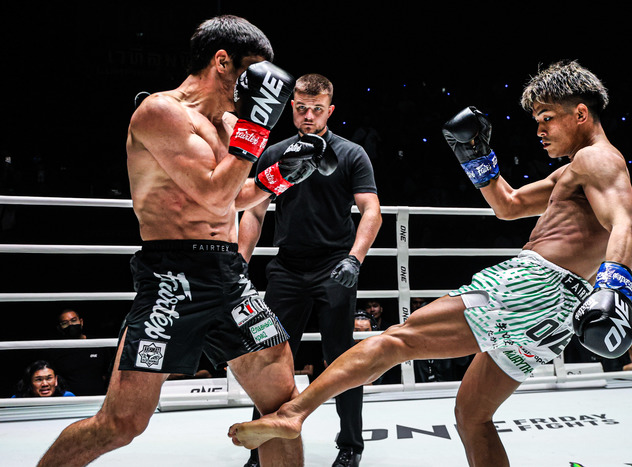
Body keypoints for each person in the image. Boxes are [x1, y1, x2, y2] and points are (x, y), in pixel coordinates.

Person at [227, 60, 632, 467]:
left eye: (547, 118)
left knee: (397, 340)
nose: (540, 130)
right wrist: (477, 155)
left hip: (534, 284)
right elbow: (509, 206)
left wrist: (615, 289)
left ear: (580, 113)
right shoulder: (574, 171)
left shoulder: (597, 159)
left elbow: (625, 224)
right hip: (557, 313)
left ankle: (292, 413)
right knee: (473, 415)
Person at [37, 15, 333, 467]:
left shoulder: (230, 123)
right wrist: (257, 129)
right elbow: (212, 192)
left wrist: (281, 176)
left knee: (281, 411)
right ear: (222, 61)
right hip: (172, 277)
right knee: (121, 424)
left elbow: (231, 197)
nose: (255, 87)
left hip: (229, 276)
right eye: (251, 72)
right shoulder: (161, 112)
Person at [238, 73, 382, 467]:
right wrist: (239, 263)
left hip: (335, 265)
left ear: (329, 110)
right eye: (301, 108)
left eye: (316, 109)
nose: (308, 115)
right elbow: (254, 211)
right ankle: (262, 447)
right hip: (287, 267)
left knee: (341, 359)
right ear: (291, 108)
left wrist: (355, 258)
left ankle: (351, 445)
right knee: (270, 358)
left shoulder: (351, 153)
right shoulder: (275, 153)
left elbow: (371, 211)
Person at [49, 309, 113, 395]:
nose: (71, 325)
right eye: (65, 323)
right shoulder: (57, 350)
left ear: (81, 322)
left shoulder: (97, 344)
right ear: (59, 328)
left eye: (74, 320)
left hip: (98, 397)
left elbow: (108, 374)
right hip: (70, 399)